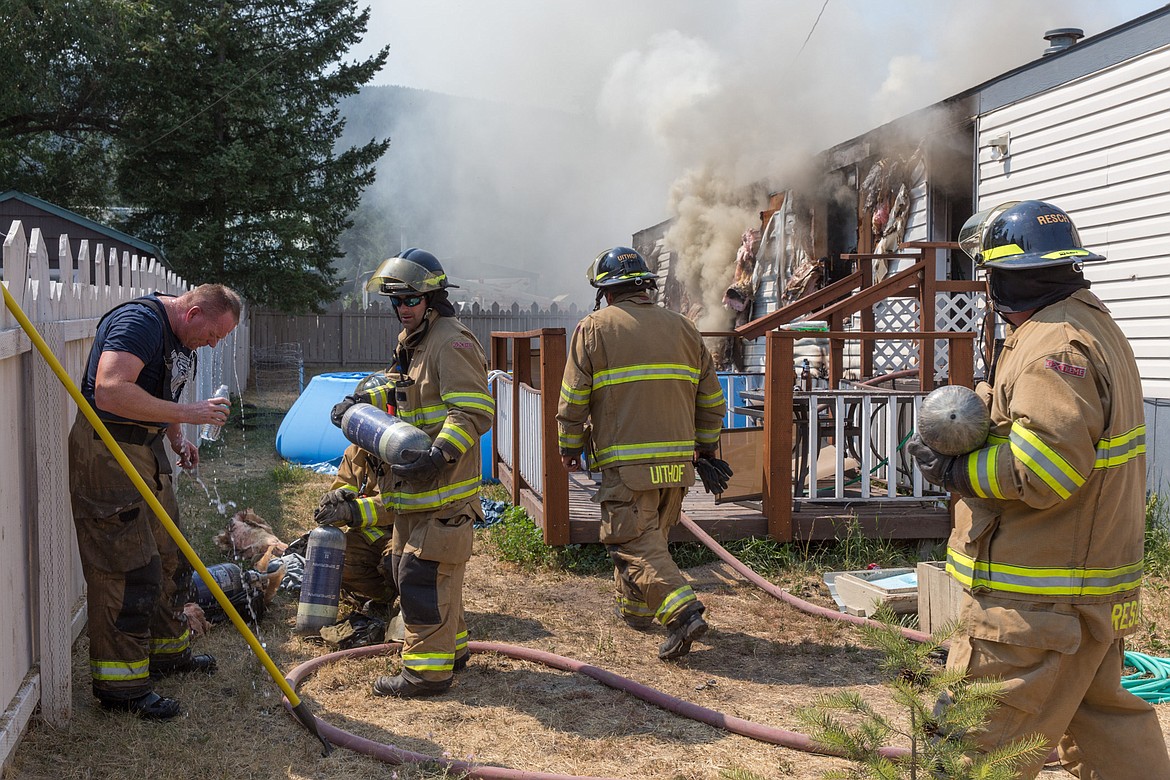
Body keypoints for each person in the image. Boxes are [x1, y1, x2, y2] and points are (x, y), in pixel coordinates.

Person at [908, 200, 1170, 777]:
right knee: (1110, 734)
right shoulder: (1086, 320)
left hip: (1036, 604)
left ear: (1001, 276)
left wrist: (954, 472)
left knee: (972, 753)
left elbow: (1043, 469)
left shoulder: (1053, 346)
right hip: (1086, 593)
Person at [69, 283, 242, 720]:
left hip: (147, 447)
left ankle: (169, 655)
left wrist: (177, 436)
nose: (214, 343)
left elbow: (158, 395)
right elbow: (109, 390)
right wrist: (191, 414)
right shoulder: (139, 324)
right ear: (194, 312)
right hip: (107, 450)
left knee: (171, 555)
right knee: (127, 568)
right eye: (213, 334)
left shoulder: (183, 338)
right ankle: (121, 688)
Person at [333, 248, 492, 698]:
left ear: (433, 298)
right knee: (417, 572)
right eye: (395, 302)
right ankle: (454, 650)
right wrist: (357, 402)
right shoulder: (414, 341)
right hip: (413, 495)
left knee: (423, 579)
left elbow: (473, 412)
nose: (402, 309)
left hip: (442, 489)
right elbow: (399, 388)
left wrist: (438, 457)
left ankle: (425, 674)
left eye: (410, 300)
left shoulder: (451, 341)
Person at [556, 247, 728, 661]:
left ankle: (683, 614)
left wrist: (569, 446)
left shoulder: (594, 328)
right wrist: (704, 448)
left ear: (606, 292)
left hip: (628, 463)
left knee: (629, 540)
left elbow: (573, 398)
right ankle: (635, 612)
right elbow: (711, 400)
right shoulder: (686, 328)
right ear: (646, 287)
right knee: (651, 539)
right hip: (678, 464)